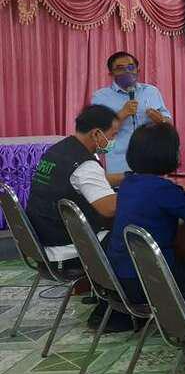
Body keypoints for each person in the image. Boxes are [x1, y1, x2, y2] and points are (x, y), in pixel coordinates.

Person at [106, 123, 185, 311]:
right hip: (149, 282)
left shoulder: (128, 183)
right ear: (167, 154)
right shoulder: (164, 190)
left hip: (117, 276)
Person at [26, 105, 120, 262]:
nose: (113, 141)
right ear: (96, 133)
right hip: (68, 247)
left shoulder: (59, 150)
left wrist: (128, 177)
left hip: (42, 237)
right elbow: (109, 208)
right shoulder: (85, 164)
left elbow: (88, 181)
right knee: (131, 236)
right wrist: (139, 192)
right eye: (113, 135)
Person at [92, 51, 171, 179]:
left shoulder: (151, 92)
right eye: (120, 68)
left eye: (131, 67)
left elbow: (169, 124)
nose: (127, 71)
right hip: (120, 162)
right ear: (111, 74)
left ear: (138, 70)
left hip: (152, 159)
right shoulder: (101, 96)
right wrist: (122, 114)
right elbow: (98, 133)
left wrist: (160, 120)